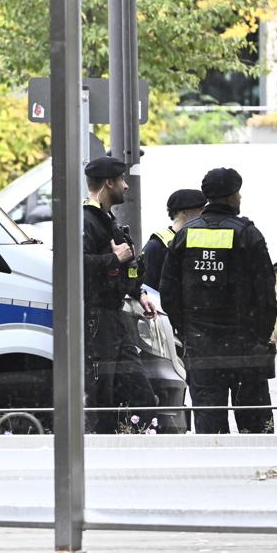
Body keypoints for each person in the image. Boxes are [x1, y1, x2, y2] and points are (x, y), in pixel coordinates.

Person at [159, 167, 277, 434]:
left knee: (209, 422)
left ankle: (214, 470)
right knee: (254, 422)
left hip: (201, 346)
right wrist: (260, 336)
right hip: (244, 346)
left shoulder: (185, 235)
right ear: (232, 196)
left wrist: (186, 330)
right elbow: (266, 295)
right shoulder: (248, 235)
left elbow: (169, 291)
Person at [82, 154, 157, 433]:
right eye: (122, 180)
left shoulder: (105, 218)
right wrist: (115, 259)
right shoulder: (87, 220)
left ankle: (140, 438)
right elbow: (76, 266)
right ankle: (101, 446)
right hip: (97, 319)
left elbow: (127, 265)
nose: (126, 186)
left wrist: (139, 292)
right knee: (102, 392)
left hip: (114, 317)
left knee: (139, 390)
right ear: (108, 183)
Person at [141, 188, 206, 297]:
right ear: (185, 212)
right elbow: (147, 288)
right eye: (200, 209)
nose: (204, 214)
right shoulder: (157, 245)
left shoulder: (200, 242)